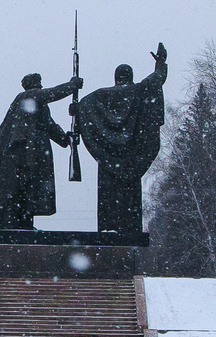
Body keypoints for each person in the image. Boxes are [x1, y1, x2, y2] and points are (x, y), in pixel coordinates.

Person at [70, 43, 169, 235]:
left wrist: (77, 109)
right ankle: (129, 228)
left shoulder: (100, 97)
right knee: (129, 200)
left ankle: (109, 228)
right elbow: (157, 79)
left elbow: (82, 106)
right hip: (131, 158)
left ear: (116, 78)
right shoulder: (140, 91)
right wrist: (161, 63)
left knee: (109, 201)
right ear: (130, 77)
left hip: (108, 161)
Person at [0, 71, 80, 237]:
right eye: (38, 85)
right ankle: (13, 227)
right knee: (15, 192)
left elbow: (49, 126)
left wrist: (66, 138)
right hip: (17, 154)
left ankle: (24, 225)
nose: (39, 87)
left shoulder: (39, 105)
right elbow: (51, 93)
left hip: (28, 155)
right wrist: (72, 85)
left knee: (28, 191)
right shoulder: (26, 97)